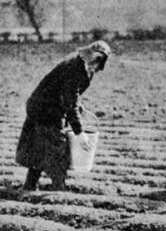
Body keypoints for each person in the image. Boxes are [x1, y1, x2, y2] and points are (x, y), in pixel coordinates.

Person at [15, 40, 111, 191]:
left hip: (47, 107)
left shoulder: (85, 66)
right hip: (43, 109)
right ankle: (59, 189)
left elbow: (71, 95)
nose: (96, 65)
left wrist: (78, 106)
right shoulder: (73, 67)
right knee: (58, 147)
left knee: (40, 147)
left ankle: (29, 185)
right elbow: (69, 100)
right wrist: (80, 133)